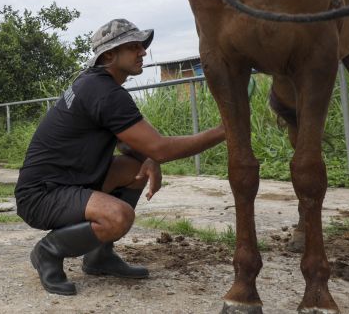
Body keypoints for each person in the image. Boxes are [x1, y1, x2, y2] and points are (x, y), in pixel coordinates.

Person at [15, 18, 227, 296]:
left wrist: (148, 159)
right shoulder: (103, 92)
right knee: (118, 217)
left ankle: (99, 256)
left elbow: (132, 144)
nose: (143, 52)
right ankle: (48, 251)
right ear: (109, 55)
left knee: (135, 169)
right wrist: (226, 130)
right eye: (134, 47)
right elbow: (161, 148)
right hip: (42, 196)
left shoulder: (95, 85)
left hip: (64, 184)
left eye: (143, 46)